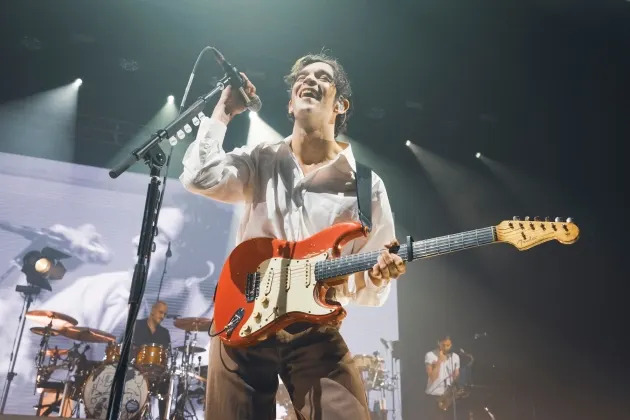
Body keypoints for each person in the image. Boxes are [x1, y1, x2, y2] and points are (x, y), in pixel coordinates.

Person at [180, 53, 406, 420]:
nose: (309, 80)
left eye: (322, 76)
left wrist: (376, 274)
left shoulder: (366, 185)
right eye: (302, 76)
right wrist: (224, 112)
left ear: (340, 104)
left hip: (314, 330)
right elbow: (197, 178)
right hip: (242, 318)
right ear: (290, 102)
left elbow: (370, 275)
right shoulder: (260, 159)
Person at [132, 300, 171, 420]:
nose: (163, 316)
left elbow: (165, 356)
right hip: (136, 369)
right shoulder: (136, 326)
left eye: (165, 314)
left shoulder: (165, 333)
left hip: (156, 373)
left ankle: (163, 417)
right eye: (160, 312)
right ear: (153, 310)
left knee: (168, 381)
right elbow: (128, 348)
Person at [424, 334, 461, 419]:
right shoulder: (430, 355)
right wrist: (439, 361)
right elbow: (432, 377)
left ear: (451, 345)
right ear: (438, 343)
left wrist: (456, 381)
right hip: (433, 397)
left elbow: (456, 375)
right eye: (443, 345)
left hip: (448, 396)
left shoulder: (455, 357)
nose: (445, 348)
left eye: (448, 345)